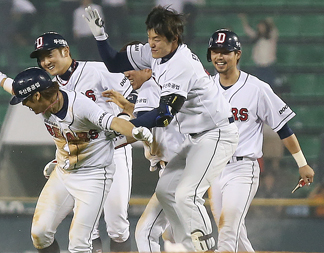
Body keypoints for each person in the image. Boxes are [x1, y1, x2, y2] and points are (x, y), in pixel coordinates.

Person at [83, 6, 239, 251]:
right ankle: (192, 247)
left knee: (187, 194)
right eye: (149, 37)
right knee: (167, 191)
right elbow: (114, 62)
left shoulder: (182, 64)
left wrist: (123, 127)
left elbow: (164, 115)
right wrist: (100, 36)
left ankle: (208, 249)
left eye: (157, 39)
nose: (151, 44)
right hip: (196, 138)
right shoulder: (154, 53)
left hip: (217, 133)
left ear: (174, 39)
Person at [0, 31, 135, 252]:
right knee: (87, 232)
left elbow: (135, 93)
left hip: (113, 150)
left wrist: (132, 119)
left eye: (48, 54)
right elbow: (22, 90)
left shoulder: (98, 70)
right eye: (40, 58)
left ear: (66, 51)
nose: (45, 61)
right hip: (75, 158)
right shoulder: (47, 87)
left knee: (117, 224)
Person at [206, 29, 315, 252]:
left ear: (238, 54)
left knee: (227, 231)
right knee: (235, 234)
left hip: (243, 168)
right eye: (215, 51)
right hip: (213, 168)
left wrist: (302, 163)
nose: (219, 56)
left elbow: (283, 127)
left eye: (225, 51)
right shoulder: (205, 88)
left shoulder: (257, 88)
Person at [102, 57, 185, 252]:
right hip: (182, 167)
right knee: (175, 235)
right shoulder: (161, 85)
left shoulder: (149, 87)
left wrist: (99, 147)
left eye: (131, 68)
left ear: (148, 69)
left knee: (148, 233)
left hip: (177, 170)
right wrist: (127, 106)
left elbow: (139, 127)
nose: (126, 73)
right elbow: (150, 118)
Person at [239, 14, 278, 88]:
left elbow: (274, 31)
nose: (261, 28)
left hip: (268, 66)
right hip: (258, 66)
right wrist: (243, 19)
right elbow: (248, 30)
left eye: (262, 27)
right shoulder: (257, 37)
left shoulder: (271, 37)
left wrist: (270, 22)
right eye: (259, 27)